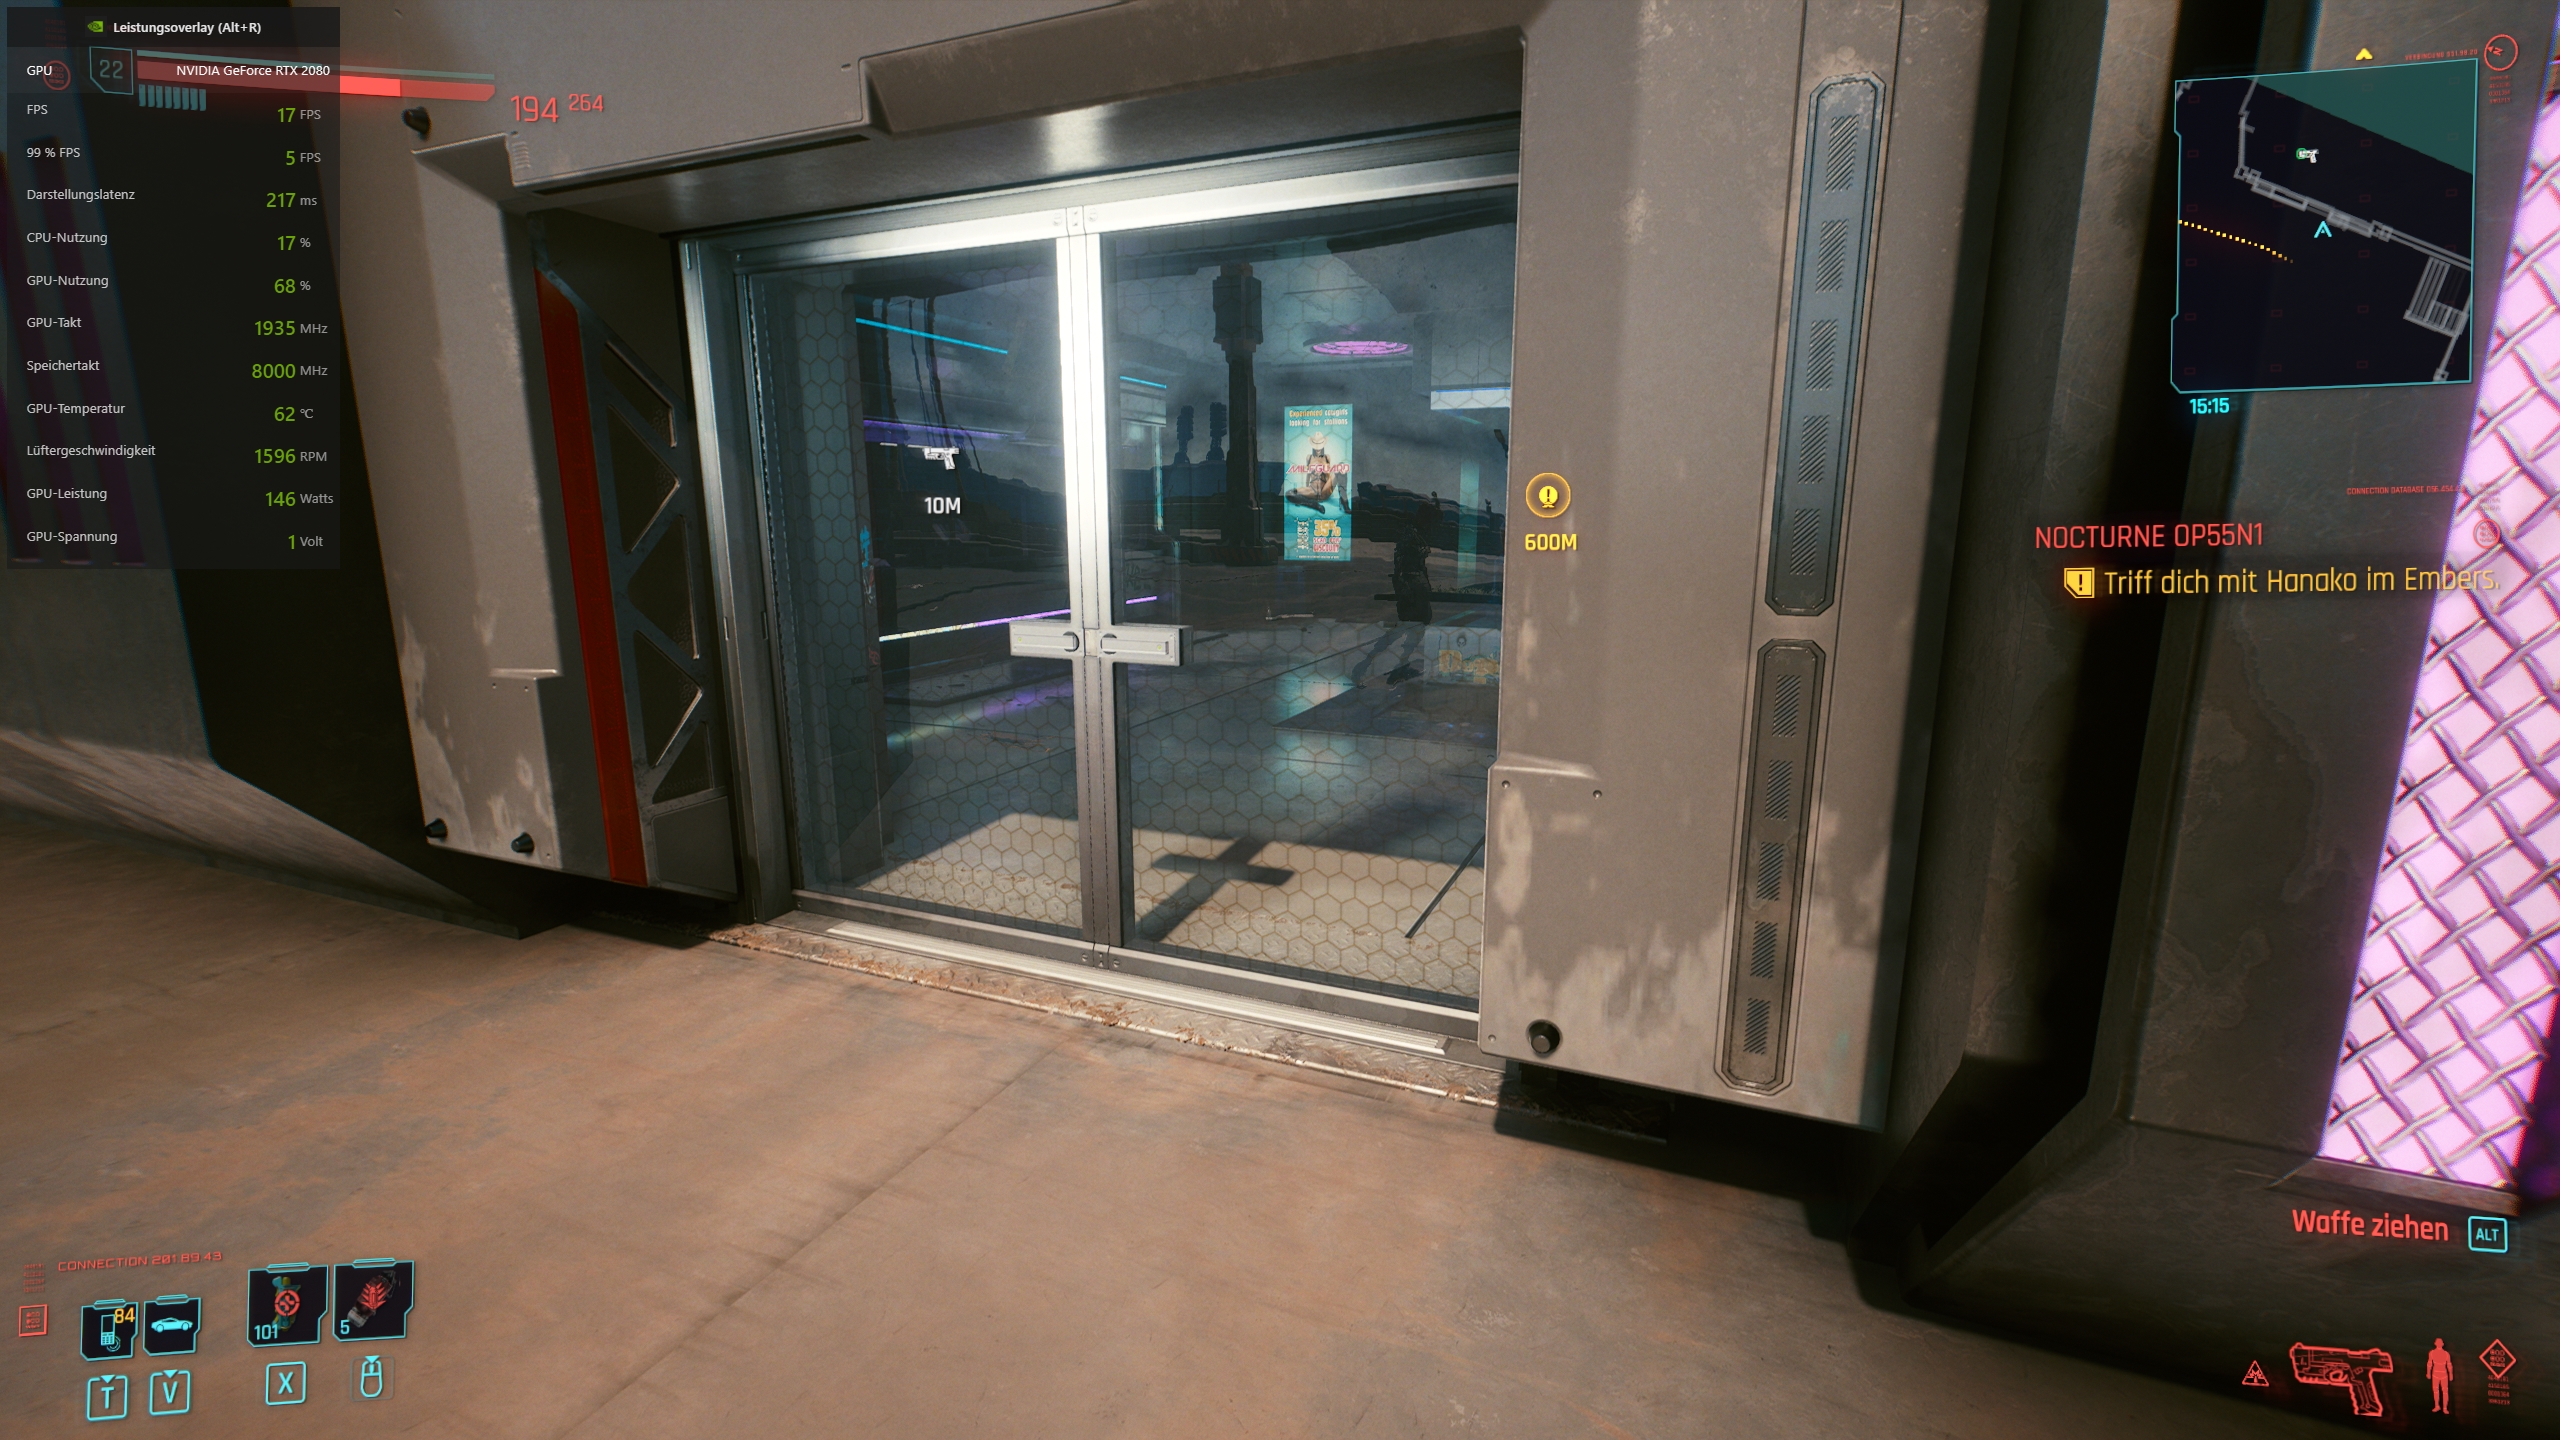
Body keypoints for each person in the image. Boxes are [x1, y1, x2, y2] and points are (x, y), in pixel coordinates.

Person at [2427, 1337, 2453, 1414]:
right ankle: (2437, 1406)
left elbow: (2449, 1365)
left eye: (2440, 1343)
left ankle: (2445, 1408)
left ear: (2442, 1344)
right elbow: (2429, 1363)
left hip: (2444, 1374)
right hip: (2435, 1373)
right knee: (2436, 1391)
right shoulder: (2432, 1353)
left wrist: (2451, 1374)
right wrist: (2428, 1373)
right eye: (2438, 1343)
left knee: (2445, 1391)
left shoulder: (2446, 1354)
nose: (2439, 1344)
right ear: (2435, 1343)